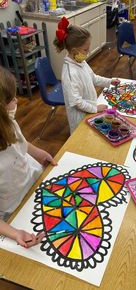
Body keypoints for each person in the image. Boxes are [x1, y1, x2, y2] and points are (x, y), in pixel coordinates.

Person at [0, 67, 55, 246]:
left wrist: (38, 152)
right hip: (14, 210)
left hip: (33, 184)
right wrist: (15, 233)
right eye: (10, 99)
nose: (16, 100)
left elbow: (20, 143)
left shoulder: (8, 123)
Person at [54, 17, 120, 134]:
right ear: (74, 51)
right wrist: (95, 108)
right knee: (83, 140)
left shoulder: (80, 61)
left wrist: (109, 81)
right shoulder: (70, 73)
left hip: (90, 111)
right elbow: (76, 102)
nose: (88, 52)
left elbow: (93, 78)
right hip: (80, 119)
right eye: (86, 49)